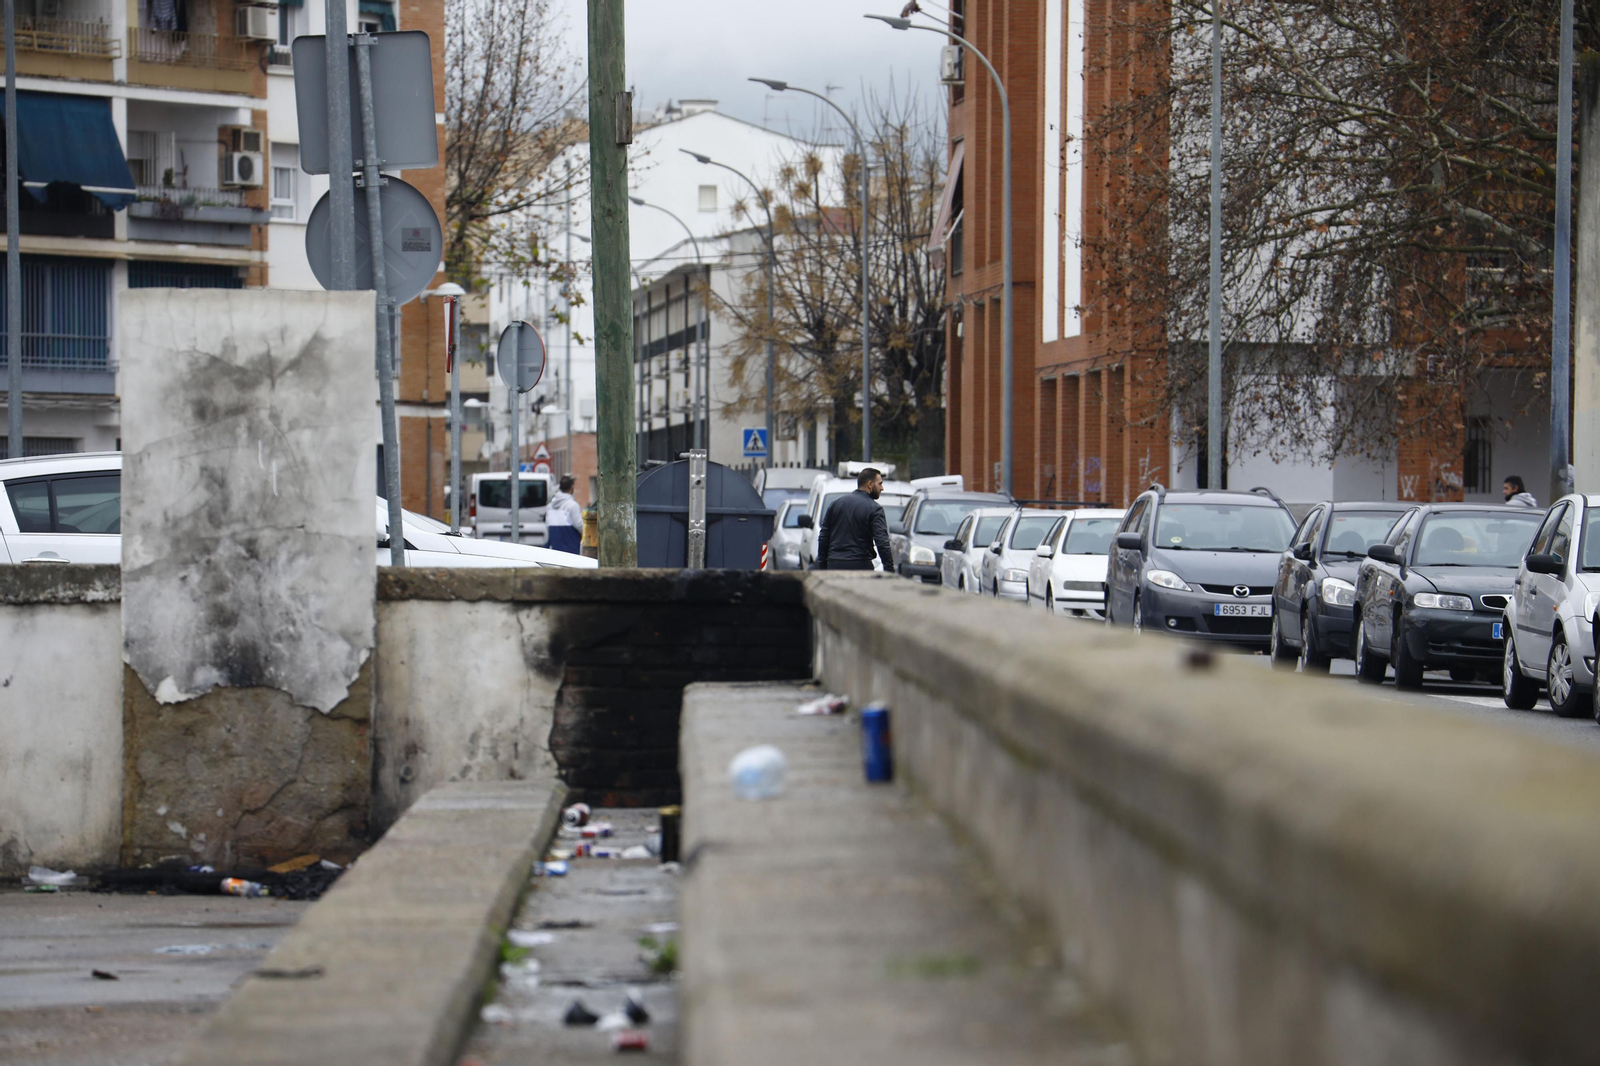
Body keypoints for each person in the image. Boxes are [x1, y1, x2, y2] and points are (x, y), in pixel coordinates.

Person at [815, 467, 894, 571]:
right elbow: (882, 543)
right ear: (870, 484)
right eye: (880, 484)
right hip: (861, 565)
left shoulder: (835, 504)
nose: (882, 488)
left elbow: (823, 537)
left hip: (835, 565)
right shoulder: (875, 509)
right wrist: (889, 570)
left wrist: (823, 565)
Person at [547, 474, 583, 553]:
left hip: (555, 549)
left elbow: (548, 527)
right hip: (571, 549)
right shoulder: (572, 505)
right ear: (572, 487)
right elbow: (580, 526)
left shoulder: (550, 506)